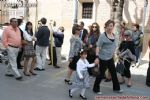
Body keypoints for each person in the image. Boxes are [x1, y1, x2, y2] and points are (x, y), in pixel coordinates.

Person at [93, 20, 123, 94]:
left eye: (111, 26)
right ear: (106, 27)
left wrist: (115, 53)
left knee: (113, 73)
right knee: (101, 74)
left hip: (110, 58)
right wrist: (97, 57)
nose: (110, 27)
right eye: (108, 26)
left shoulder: (114, 35)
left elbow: (114, 45)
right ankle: (95, 89)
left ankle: (116, 88)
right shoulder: (102, 36)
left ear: (113, 27)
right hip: (103, 58)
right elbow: (98, 47)